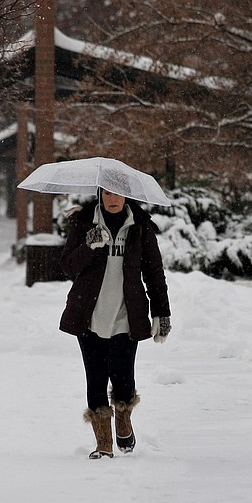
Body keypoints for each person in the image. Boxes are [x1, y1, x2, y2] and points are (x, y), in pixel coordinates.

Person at [59, 187, 171, 458]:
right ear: (100, 195)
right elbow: (67, 267)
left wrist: (161, 313)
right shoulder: (84, 222)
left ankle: (123, 420)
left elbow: (154, 272)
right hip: (89, 316)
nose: (112, 199)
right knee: (95, 379)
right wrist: (89, 246)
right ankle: (104, 444)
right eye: (107, 194)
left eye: (118, 194)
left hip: (126, 316)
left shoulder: (140, 226)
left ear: (126, 196)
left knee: (123, 380)